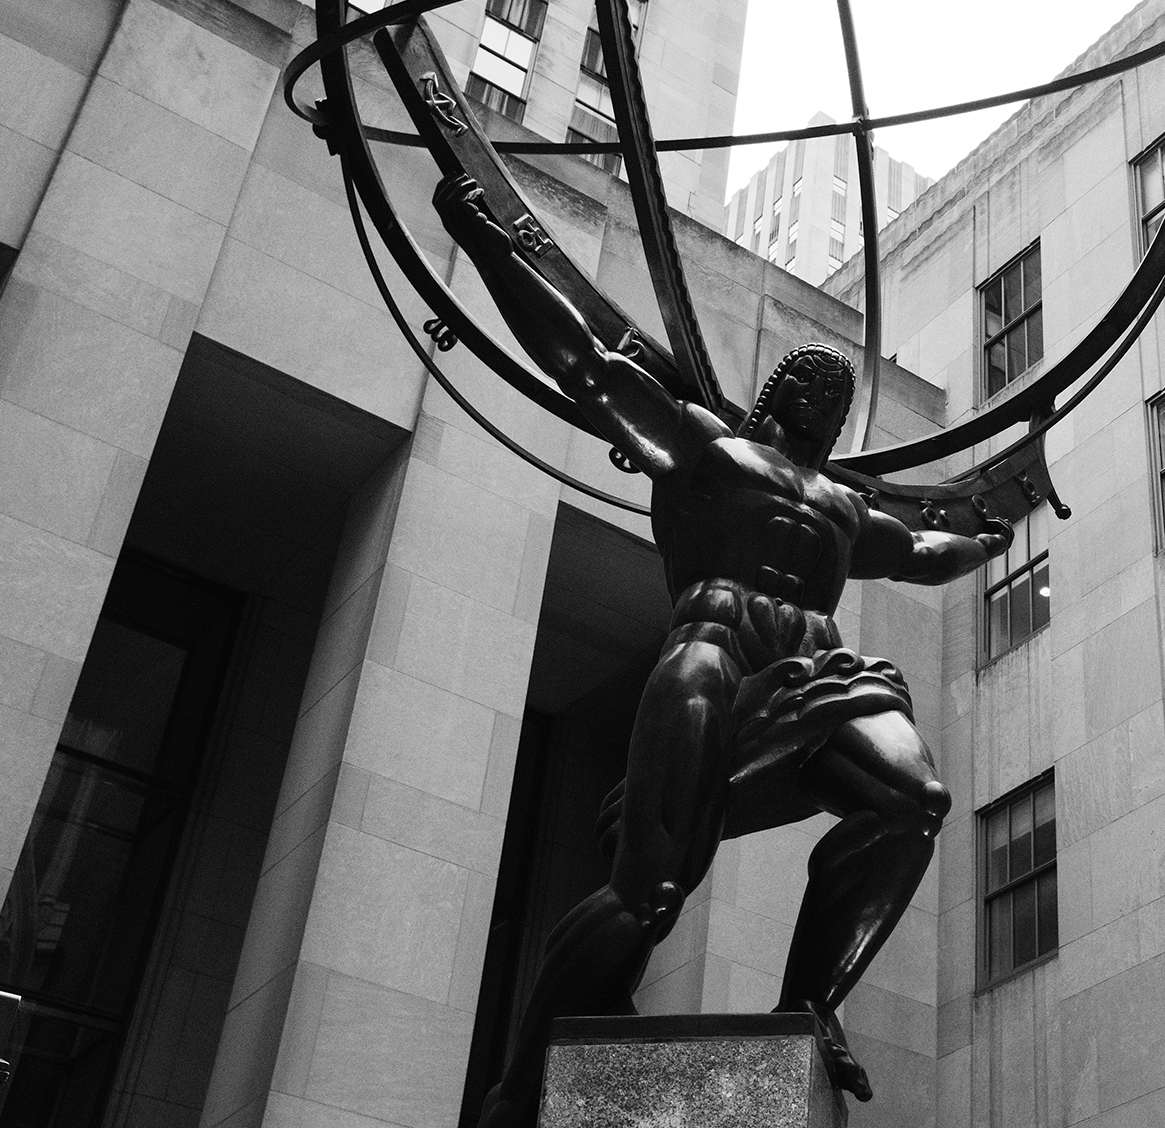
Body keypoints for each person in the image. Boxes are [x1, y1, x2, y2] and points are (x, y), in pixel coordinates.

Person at [428, 177, 1013, 1127]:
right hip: (715, 648)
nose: (828, 393)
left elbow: (921, 552)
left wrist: (996, 526)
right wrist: (489, 243)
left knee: (913, 803)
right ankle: (519, 1079)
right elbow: (584, 362)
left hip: (819, 664)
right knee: (650, 888)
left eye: (841, 393)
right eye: (812, 383)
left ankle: (807, 1005)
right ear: (778, 395)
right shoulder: (708, 449)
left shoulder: (845, 504)